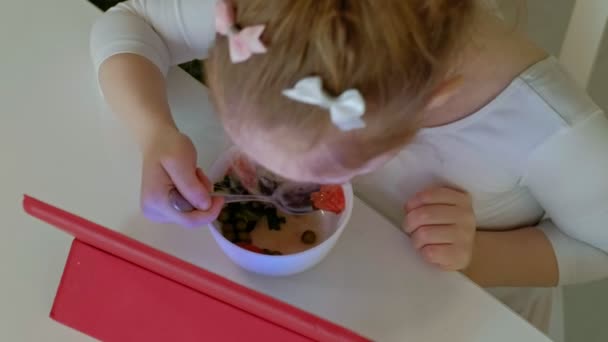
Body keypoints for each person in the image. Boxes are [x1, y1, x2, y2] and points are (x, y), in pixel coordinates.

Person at [90, 0, 608, 339]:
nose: (276, 186)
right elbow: (127, 21)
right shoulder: (284, 19)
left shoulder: (558, 136)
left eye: (318, 170)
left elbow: (599, 248)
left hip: (462, 310)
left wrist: (478, 255)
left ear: (427, 106)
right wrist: (154, 130)